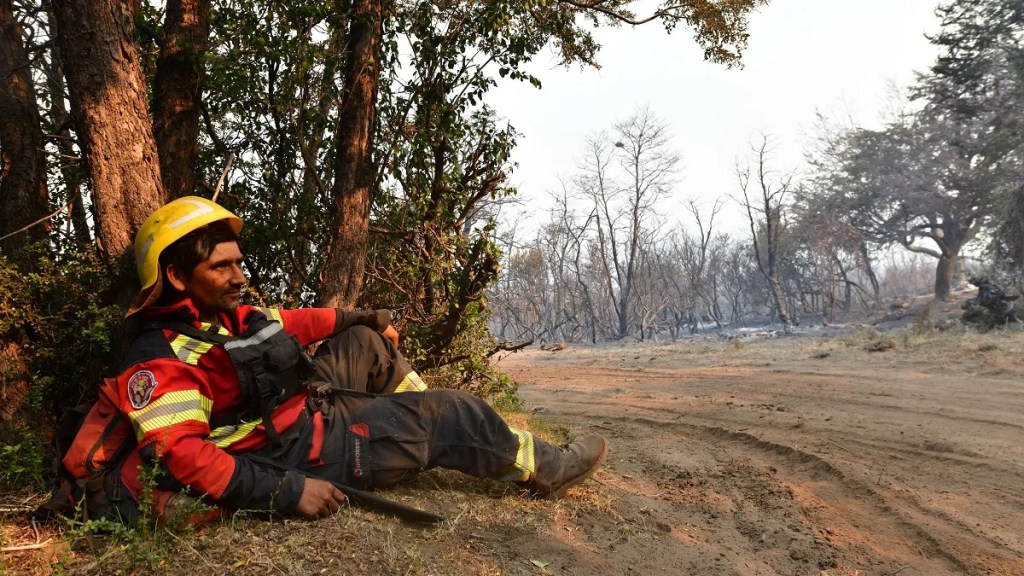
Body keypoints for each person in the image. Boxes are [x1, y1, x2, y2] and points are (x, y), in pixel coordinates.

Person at [106, 196, 608, 522]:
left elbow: (298, 322)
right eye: (223, 266)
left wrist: (364, 316)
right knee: (455, 411)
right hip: (297, 453)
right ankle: (545, 468)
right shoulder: (158, 360)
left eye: (240, 262)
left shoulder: (222, 317)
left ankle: (418, 427)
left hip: (300, 414)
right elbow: (183, 457)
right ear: (176, 276)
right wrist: (288, 492)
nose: (240, 277)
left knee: (365, 343)